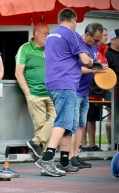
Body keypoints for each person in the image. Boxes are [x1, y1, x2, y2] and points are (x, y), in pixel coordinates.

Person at [34, 8, 94, 177]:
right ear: (73, 20)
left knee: (68, 123)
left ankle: (65, 161)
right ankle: (46, 159)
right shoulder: (71, 34)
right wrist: (91, 62)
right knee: (63, 121)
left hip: (52, 82)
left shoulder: (51, 36)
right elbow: (85, 60)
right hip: (66, 82)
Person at [15, 23, 56, 158]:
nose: (48, 36)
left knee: (58, 119)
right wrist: (28, 93)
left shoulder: (50, 49)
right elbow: (18, 73)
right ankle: (44, 158)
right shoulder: (25, 48)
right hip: (35, 93)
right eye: (45, 33)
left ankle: (36, 142)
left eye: (49, 33)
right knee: (40, 125)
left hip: (51, 92)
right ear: (36, 33)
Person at [69, 23, 104, 169]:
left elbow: (92, 64)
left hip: (85, 91)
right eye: (95, 40)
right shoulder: (79, 45)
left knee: (81, 125)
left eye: (99, 40)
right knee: (73, 125)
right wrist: (96, 69)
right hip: (75, 90)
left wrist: (97, 67)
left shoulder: (94, 45)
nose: (97, 43)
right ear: (87, 35)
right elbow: (77, 69)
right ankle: (70, 156)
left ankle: (76, 154)